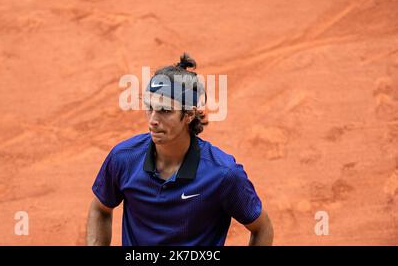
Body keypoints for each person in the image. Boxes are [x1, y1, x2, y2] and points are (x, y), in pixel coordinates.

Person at [86, 53, 274, 246]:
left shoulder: (223, 175)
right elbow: (100, 209)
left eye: (165, 110)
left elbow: (262, 228)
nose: (153, 120)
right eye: (149, 107)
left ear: (189, 114)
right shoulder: (124, 158)